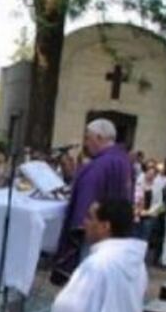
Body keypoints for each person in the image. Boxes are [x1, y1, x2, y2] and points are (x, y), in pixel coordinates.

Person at [51, 119, 133, 284]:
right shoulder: (124, 161)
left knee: (87, 278)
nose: (86, 144)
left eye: (88, 138)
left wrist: (79, 226)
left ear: (99, 137)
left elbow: (86, 200)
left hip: (96, 233)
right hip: (115, 231)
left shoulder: (99, 165)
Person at [133, 161, 166, 246]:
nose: (150, 175)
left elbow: (160, 203)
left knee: (144, 238)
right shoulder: (137, 183)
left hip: (149, 215)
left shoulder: (158, 187)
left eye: (153, 174)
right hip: (136, 214)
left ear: (155, 176)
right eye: (149, 173)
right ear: (145, 173)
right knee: (134, 238)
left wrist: (149, 212)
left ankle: (142, 257)